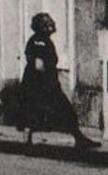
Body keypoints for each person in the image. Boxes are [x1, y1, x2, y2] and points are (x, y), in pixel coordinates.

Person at [19, 12, 99, 149]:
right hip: (41, 84)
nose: (52, 24)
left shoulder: (37, 40)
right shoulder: (41, 41)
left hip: (34, 84)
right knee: (65, 110)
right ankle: (78, 138)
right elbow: (39, 65)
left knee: (32, 110)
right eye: (48, 23)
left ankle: (27, 139)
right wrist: (48, 83)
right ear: (42, 26)